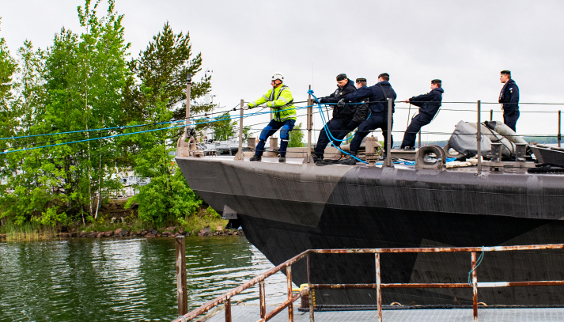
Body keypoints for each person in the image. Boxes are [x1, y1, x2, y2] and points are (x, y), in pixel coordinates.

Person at [339, 73, 397, 165]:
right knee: (388, 135)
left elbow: (358, 94)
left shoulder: (374, 88)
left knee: (359, 133)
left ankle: (352, 157)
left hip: (376, 116)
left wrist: (344, 99)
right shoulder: (392, 91)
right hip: (388, 118)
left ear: (380, 79)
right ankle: (387, 156)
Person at [247, 72, 297, 163]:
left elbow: (280, 102)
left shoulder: (286, 91)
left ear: (278, 81)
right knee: (264, 132)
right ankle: (257, 155)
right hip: (278, 119)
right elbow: (262, 99)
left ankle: (282, 155)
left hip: (289, 118)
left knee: (284, 131)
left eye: (273, 81)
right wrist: (249, 106)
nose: (271, 83)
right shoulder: (272, 91)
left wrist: (268, 104)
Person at [312, 73, 357, 163]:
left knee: (325, 133)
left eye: (341, 82)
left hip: (343, 118)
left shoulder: (350, 89)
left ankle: (318, 155)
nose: (339, 84)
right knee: (325, 132)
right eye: (338, 83)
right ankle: (318, 154)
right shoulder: (340, 89)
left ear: (346, 80)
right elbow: (332, 97)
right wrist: (320, 99)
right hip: (338, 117)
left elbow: (337, 100)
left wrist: (323, 100)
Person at [400, 79, 444, 149]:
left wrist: (410, 100)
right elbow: (423, 102)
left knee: (410, 131)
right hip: (426, 116)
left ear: (435, 85)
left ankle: (405, 148)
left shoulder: (435, 93)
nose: (430, 87)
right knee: (412, 130)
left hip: (424, 115)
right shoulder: (437, 94)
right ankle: (409, 147)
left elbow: (423, 97)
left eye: (432, 85)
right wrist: (411, 101)